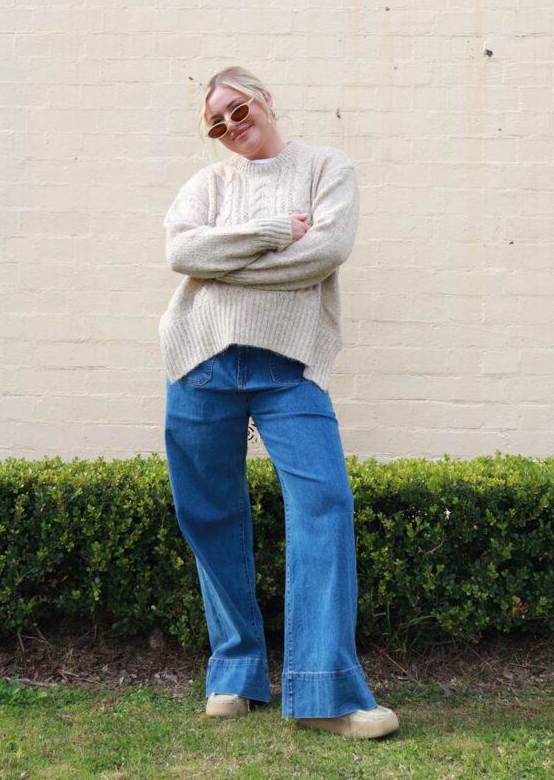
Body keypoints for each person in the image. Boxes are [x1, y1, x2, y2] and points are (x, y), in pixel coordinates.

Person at [159, 66, 399, 739]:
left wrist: (225, 260)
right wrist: (270, 232)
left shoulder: (326, 167)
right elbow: (182, 253)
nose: (231, 126)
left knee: (324, 503)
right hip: (200, 357)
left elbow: (323, 252)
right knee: (208, 510)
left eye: (237, 109)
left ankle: (323, 694)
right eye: (217, 123)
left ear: (263, 99)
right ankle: (236, 672)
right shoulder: (206, 185)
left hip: (289, 365)